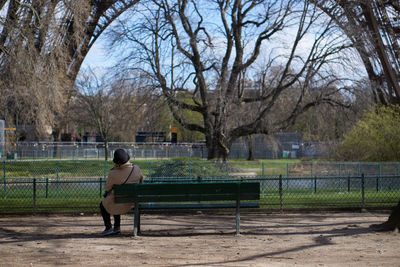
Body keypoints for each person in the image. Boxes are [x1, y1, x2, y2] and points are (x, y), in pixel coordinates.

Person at [100, 148, 143, 236]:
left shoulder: (113, 173)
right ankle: (116, 228)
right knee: (116, 199)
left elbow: (108, 188)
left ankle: (109, 228)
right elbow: (141, 180)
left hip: (119, 201)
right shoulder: (136, 168)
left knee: (106, 203)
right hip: (133, 201)